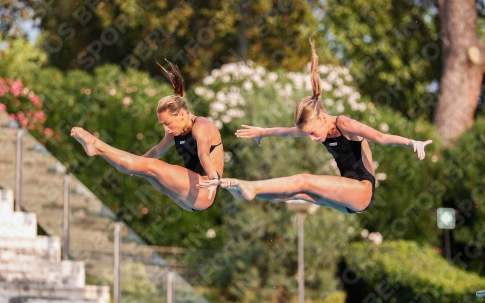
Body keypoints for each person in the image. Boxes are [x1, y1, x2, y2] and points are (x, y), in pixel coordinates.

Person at [198, 41, 431, 214]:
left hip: (361, 190)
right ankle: (245, 191)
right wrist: (262, 132)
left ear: (322, 117)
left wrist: (412, 142)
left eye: (311, 133)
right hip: (347, 202)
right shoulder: (315, 127)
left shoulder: (344, 124)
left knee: (304, 179)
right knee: (298, 193)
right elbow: (286, 132)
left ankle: (251, 187)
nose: (311, 138)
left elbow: (380, 136)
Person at [71, 61, 223, 212]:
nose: (166, 128)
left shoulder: (201, 127)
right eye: (162, 124)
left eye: (168, 123)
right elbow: (157, 152)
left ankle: (97, 146)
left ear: (182, 114)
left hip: (206, 190)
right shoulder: (174, 132)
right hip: (188, 199)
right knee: (147, 169)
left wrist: (213, 179)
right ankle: (96, 149)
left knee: (152, 166)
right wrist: (136, 164)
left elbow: (204, 155)